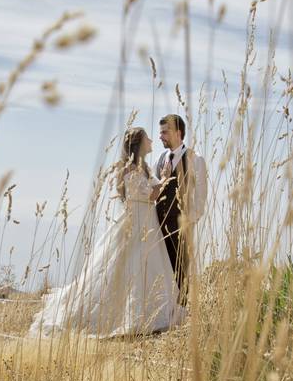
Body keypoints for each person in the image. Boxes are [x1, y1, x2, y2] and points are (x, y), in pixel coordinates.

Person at [29, 127, 185, 337]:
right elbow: (150, 195)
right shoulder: (130, 170)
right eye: (147, 138)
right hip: (138, 224)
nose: (151, 140)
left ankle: (155, 311)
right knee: (133, 266)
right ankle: (134, 315)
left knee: (148, 266)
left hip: (148, 223)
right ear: (139, 144)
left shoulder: (144, 168)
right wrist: (165, 179)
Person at [154, 114, 208, 307]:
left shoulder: (196, 159)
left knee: (181, 267)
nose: (160, 136)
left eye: (164, 132)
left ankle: (182, 311)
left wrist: (189, 221)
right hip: (158, 225)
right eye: (160, 133)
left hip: (181, 225)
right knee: (163, 267)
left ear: (178, 133)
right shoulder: (161, 158)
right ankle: (165, 310)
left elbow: (200, 195)